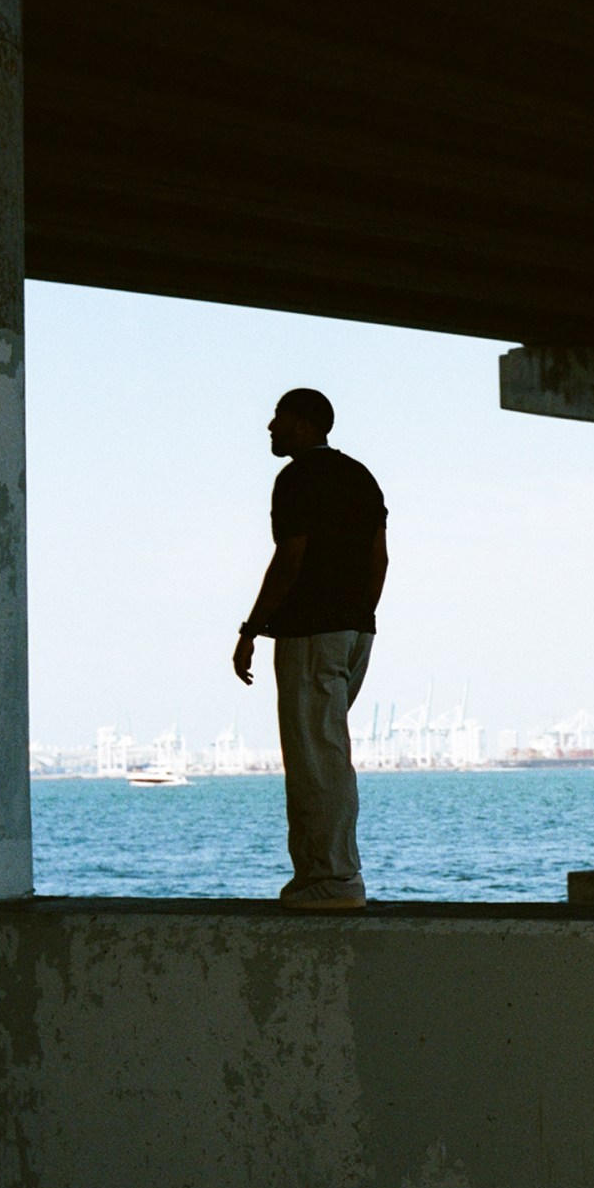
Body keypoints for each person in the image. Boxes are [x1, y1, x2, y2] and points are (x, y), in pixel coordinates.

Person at [233, 388, 388, 910]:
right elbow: (379, 560)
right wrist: (357, 618)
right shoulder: (362, 477)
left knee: (314, 758)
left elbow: (289, 559)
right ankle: (323, 875)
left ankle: (333, 879)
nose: (270, 427)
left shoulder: (296, 479)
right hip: (353, 633)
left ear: (304, 424)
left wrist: (252, 628)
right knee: (328, 747)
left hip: (310, 633)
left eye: (278, 418)